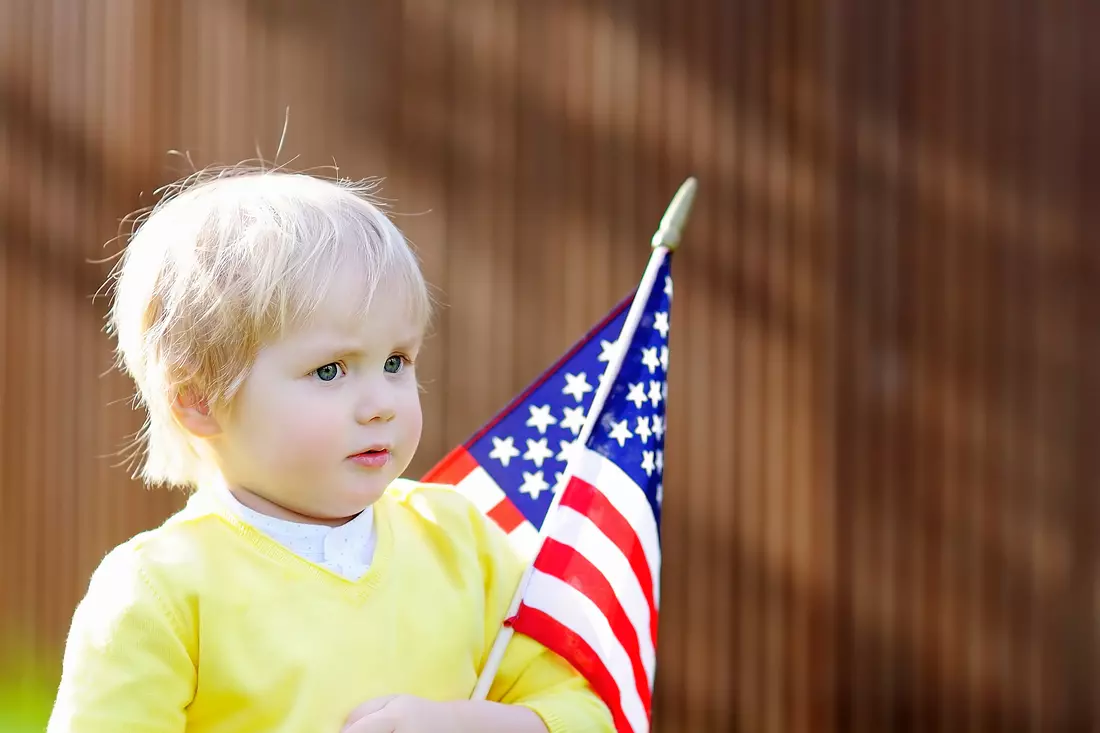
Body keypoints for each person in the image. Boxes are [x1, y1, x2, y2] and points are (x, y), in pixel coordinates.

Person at [46, 167, 613, 733]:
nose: (381, 404)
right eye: (330, 370)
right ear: (199, 399)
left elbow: (587, 711)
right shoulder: (161, 591)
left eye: (396, 362)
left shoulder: (461, 542)